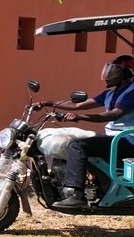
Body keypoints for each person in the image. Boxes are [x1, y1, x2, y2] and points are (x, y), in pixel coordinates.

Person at [41, 55, 134, 210]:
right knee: (67, 144)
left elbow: (114, 114)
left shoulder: (131, 92)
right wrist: (48, 103)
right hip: (114, 139)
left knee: (79, 146)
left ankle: (76, 196)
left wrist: (80, 117)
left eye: (115, 71)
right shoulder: (110, 93)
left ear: (125, 75)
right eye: (109, 69)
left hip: (128, 140)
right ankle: (66, 188)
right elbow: (78, 105)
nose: (109, 74)